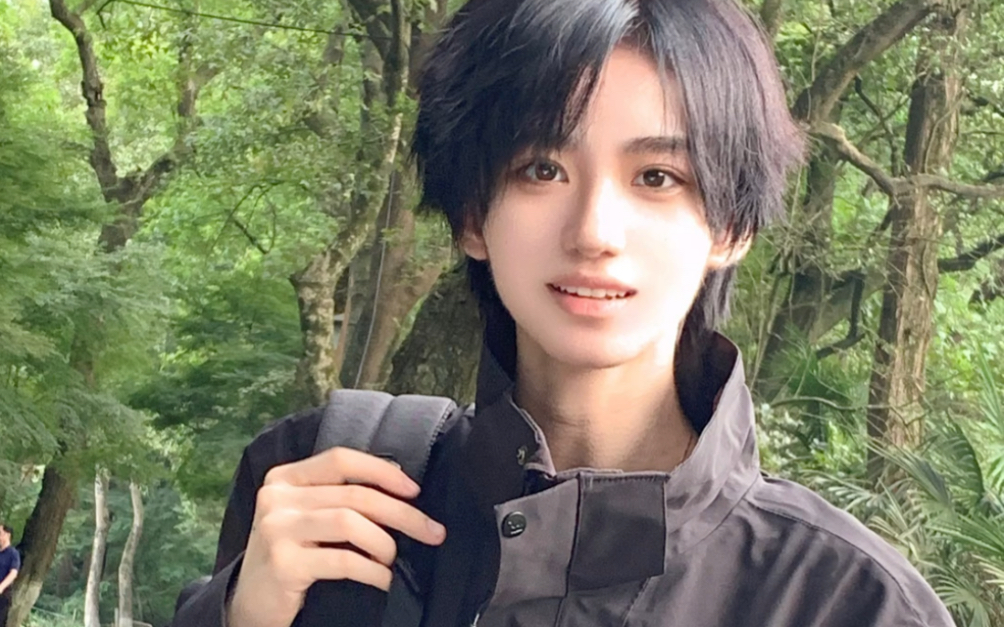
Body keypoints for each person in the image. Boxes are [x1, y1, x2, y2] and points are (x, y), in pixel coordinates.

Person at [173, 0, 956, 625]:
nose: (594, 232)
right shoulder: (323, 492)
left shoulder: (845, 600)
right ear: (472, 214)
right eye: (542, 168)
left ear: (731, 226)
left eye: (657, 176)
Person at [0, 523, 20, 627]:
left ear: (7, 535)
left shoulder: (13, 554)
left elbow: (13, 573)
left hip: (3, 595)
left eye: (0, 533)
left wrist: (1, 587)